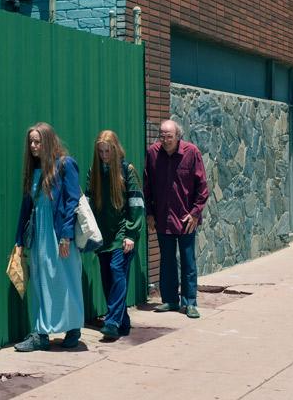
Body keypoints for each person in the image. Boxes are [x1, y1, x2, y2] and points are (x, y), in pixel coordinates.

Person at [13, 122, 84, 352]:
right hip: (38, 236)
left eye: (37, 141)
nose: (33, 146)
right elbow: (25, 208)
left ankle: (73, 329)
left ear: (48, 141)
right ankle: (40, 334)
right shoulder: (33, 170)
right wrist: (19, 242)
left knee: (64, 281)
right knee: (40, 283)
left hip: (59, 234)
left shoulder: (65, 165)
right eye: (31, 142)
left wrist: (66, 236)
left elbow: (73, 200)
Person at [144, 119, 209, 318]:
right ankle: (170, 300)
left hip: (186, 219)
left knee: (188, 261)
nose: (164, 140)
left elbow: (203, 188)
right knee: (167, 261)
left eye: (168, 136)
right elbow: (147, 186)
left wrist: (195, 213)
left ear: (177, 136)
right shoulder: (153, 153)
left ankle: (189, 302)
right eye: (161, 136)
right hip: (163, 218)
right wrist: (150, 214)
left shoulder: (192, 152)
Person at [86, 130, 144, 340]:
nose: (104, 155)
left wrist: (131, 234)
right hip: (102, 234)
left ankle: (111, 322)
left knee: (116, 269)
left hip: (122, 232)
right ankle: (123, 321)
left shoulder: (127, 171)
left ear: (115, 149)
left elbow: (137, 204)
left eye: (107, 151)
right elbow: (88, 202)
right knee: (106, 276)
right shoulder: (94, 172)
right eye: (100, 151)